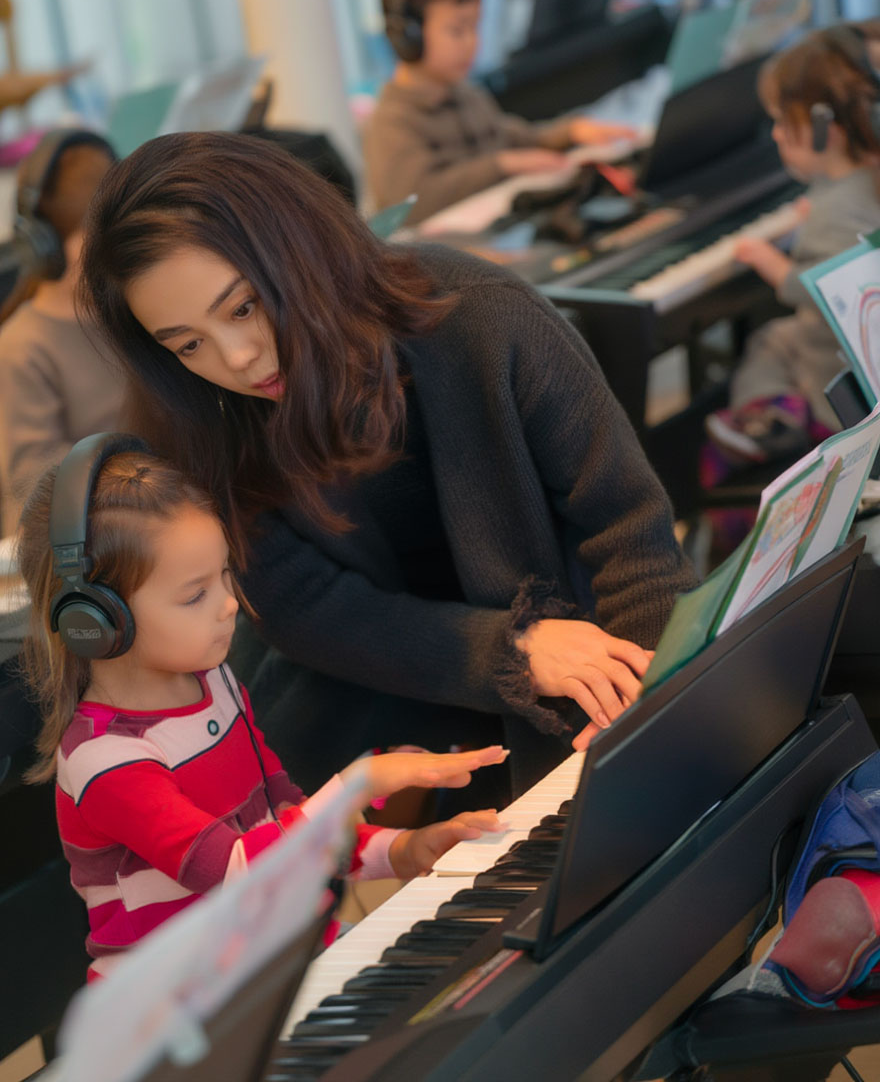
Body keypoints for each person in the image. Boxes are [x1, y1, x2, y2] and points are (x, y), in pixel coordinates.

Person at [77, 130, 696, 807]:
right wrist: (508, 651)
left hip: (584, 658)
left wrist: (651, 710)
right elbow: (306, 611)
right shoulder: (202, 422)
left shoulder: (479, 315)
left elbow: (628, 531)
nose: (237, 360)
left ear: (299, 245)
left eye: (245, 307)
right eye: (189, 343)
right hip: (386, 682)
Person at [17, 437, 506, 979]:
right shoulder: (104, 760)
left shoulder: (218, 684)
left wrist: (402, 851)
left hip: (276, 973)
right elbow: (236, 868)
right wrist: (355, 785)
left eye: (225, 574)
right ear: (95, 621)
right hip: (183, 1021)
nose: (230, 604)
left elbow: (282, 824)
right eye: (193, 594)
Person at [705, 21, 880, 469]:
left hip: (835, 367)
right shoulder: (860, 181)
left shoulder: (837, 210)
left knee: (772, 341)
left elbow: (815, 287)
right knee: (774, 339)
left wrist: (767, 259)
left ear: (824, 128)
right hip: (853, 348)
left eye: (784, 122)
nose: (777, 135)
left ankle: (776, 421)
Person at [364, 0, 634, 223]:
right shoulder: (393, 121)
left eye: (476, 27)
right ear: (409, 37)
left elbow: (518, 139)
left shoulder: (467, 95)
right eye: (458, 30)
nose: (473, 42)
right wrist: (502, 164)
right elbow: (415, 202)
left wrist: (573, 132)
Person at [0, 129, 126, 536]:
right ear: (45, 248)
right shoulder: (23, 346)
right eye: (93, 242)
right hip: (88, 539)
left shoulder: (126, 313)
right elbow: (34, 486)